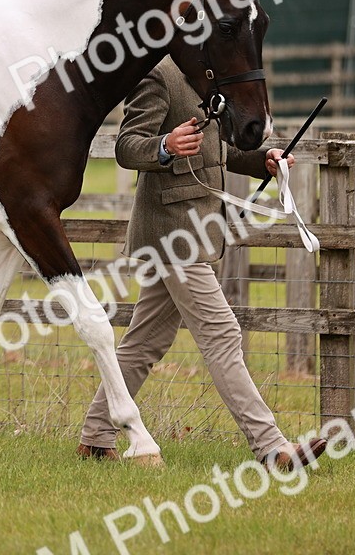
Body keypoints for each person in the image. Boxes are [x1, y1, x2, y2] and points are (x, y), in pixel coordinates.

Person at [77, 57, 325, 471]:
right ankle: (273, 449)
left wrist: (262, 159)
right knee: (223, 334)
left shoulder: (207, 76)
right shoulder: (159, 75)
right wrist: (164, 146)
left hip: (193, 232)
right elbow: (126, 145)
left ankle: (96, 437)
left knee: (144, 342)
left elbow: (217, 150)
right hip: (171, 234)